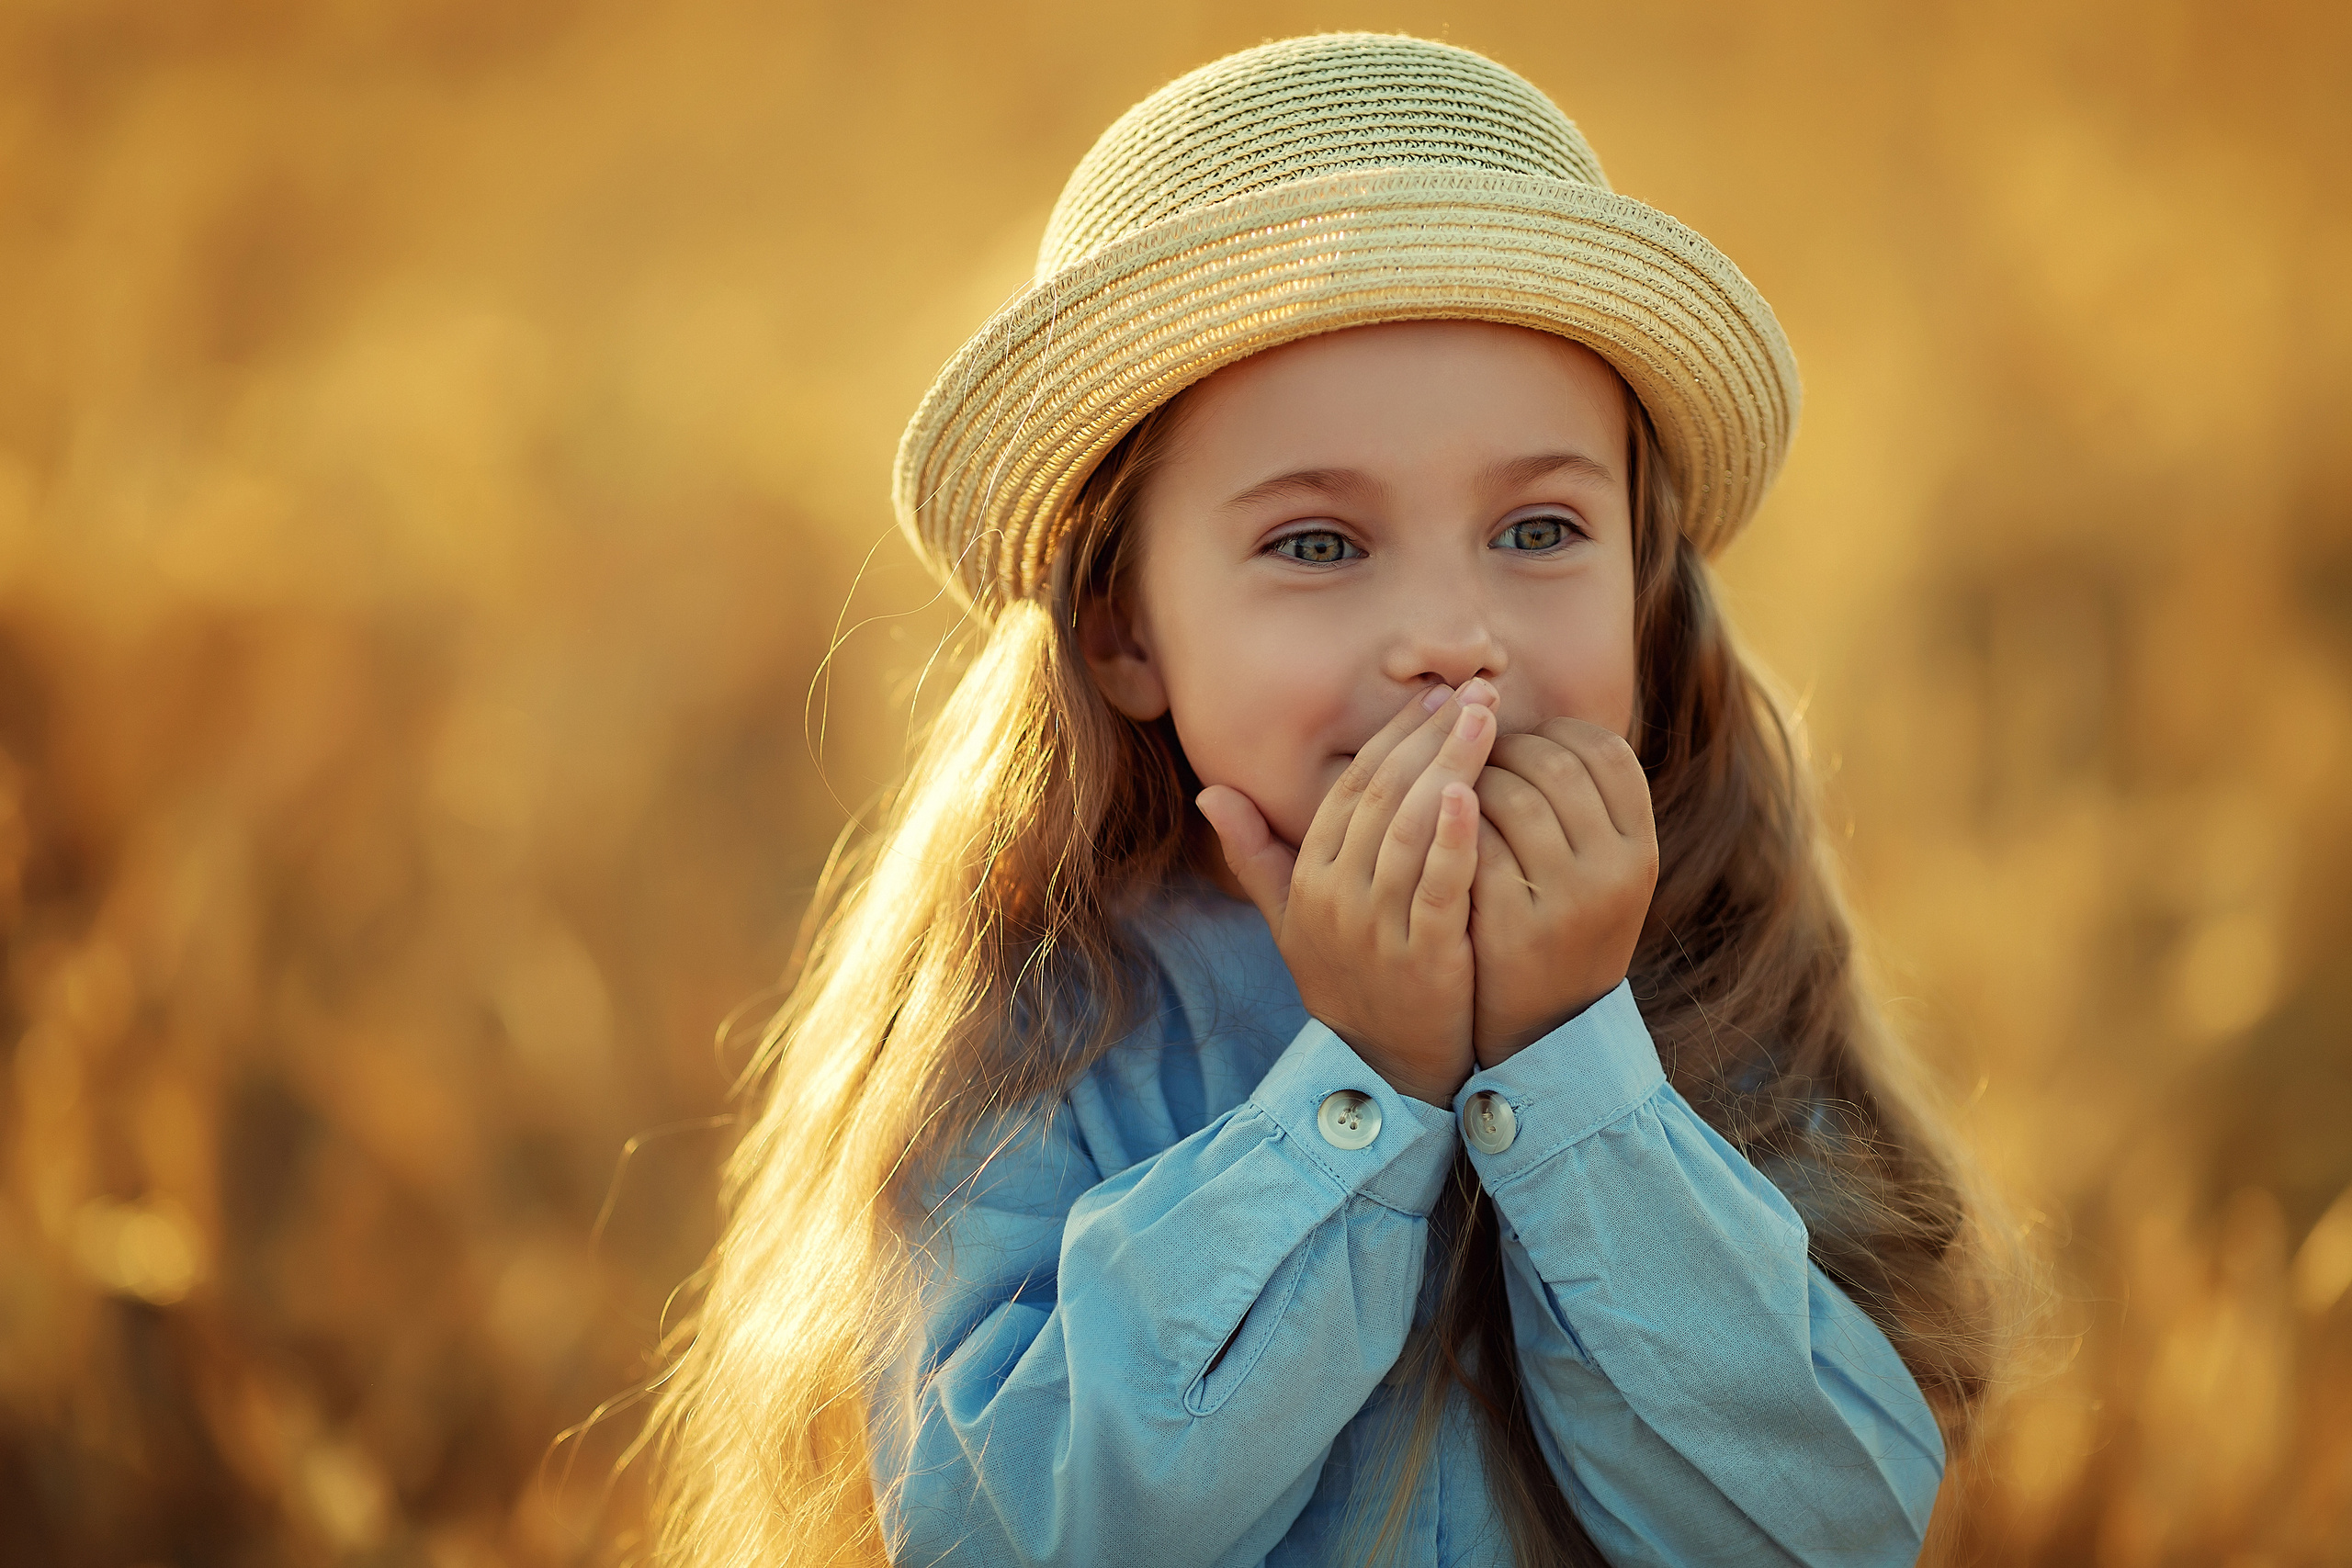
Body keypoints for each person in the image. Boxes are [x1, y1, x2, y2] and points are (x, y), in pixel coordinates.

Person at [650, 32, 2018, 1568]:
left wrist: (1569, 1072)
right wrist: (1361, 1087)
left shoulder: (1708, 966)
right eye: (1317, 544)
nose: (1450, 633)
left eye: (1540, 527)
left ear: (1639, 585)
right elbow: (1012, 1534)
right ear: (1125, 630)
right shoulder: (1052, 1020)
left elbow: (1828, 1526)